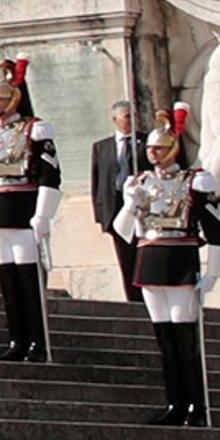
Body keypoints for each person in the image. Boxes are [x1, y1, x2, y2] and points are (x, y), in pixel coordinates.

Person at [113, 101, 220, 427]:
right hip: (150, 260)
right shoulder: (139, 183)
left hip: (180, 259)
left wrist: (213, 274)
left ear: (174, 148)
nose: (154, 154)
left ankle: (196, 403)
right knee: (164, 338)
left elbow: (217, 230)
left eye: (160, 148)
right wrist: (130, 205)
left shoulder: (195, 181)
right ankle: (175, 401)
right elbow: (124, 232)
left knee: (184, 337)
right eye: (151, 149)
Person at [0, 58, 63, 361]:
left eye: (1, 99)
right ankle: (17, 338)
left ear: (14, 99)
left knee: (28, 277)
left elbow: (50, 175)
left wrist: (42, 214)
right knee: (6, 277)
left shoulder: (34, 130)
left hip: (23, 207)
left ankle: (37, 342)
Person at [90, 100, 146, 300]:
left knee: (142, 254)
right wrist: (100, 214)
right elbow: (97, 182)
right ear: (115, 119)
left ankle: (146, 294)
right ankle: (132, 298)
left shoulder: (146, 143)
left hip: (140, 206)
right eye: (127, 116)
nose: (131, 120)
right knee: (125, 256)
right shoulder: (101, 147)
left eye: (133, 116)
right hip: (115, 208)